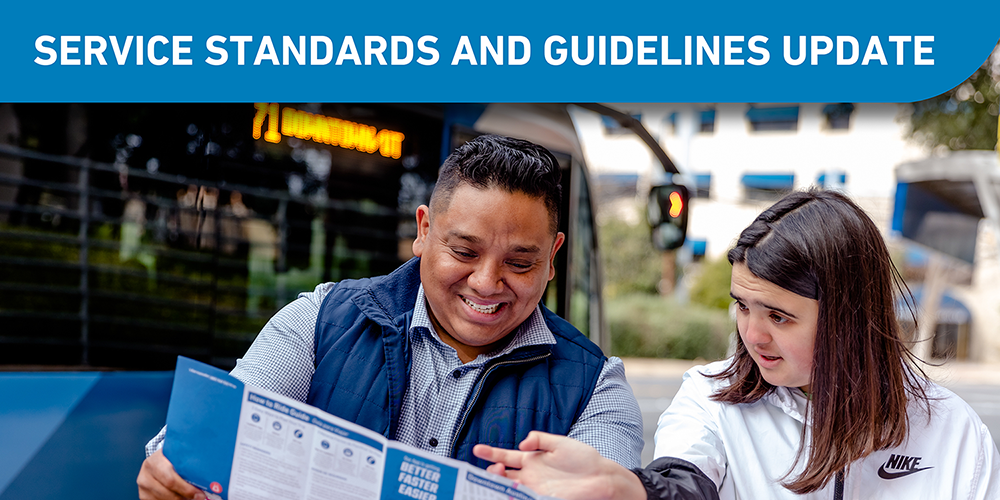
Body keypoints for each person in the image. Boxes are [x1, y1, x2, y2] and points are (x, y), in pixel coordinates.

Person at [136, 134, 644, 500]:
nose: (488, 283)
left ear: (553, 256)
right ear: (424, 230)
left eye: (520, 263)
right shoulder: (319, 323)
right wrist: (170, 478)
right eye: (464, 252)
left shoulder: (596, 389)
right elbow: (207, 443)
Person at [474, 189, 1000, 500]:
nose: (753, 333)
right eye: (742, 306)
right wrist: (633, 489)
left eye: (779, 315)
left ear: (850, 319)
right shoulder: (710, 398)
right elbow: (685, 480)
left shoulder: (952, 432)